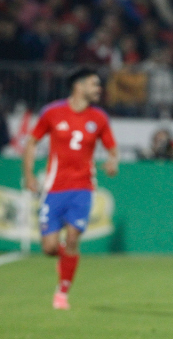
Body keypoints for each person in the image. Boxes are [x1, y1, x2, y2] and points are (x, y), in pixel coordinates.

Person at [22, 67, 119, 310]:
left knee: (74, 237)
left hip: (83, 188)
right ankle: (64, 258)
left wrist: (112, 161)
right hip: (54, 188)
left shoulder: (98, 118)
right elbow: (32, 142)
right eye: (95, 84)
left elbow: (112, 148)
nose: (99, 89)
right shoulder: (53, 112)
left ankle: (62, 292)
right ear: (79, 86)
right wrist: (29, 174)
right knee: (50, 248)